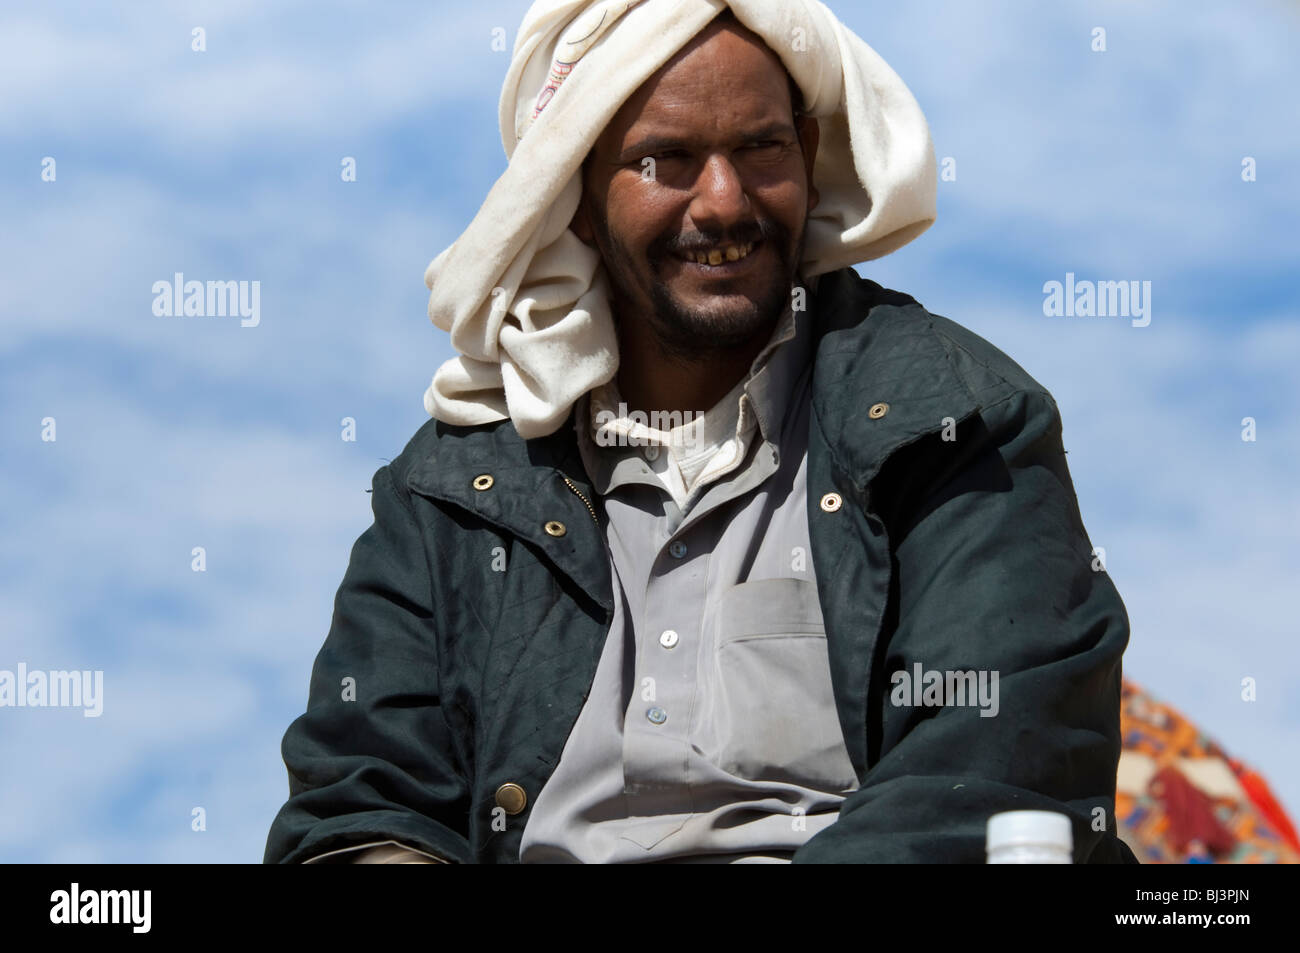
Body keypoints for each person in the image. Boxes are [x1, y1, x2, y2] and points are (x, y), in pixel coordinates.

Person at [264, 0, 1138, 864]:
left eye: (761, 149)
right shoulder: (451, 497)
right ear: (572, 200)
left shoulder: (949, 420)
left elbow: (998, 770)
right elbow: (360, 805)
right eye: (666, 160)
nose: (724, 202)